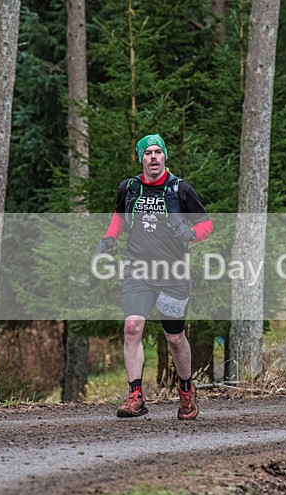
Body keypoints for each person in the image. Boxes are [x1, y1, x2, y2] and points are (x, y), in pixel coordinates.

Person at [95, 133, 213, 420]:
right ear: (141, 159)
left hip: (173, 274)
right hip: (138, 271)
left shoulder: (180, 189)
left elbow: (207, 224)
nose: (153, 157)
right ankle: (136, 395)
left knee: (174, 338)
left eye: (157, 152)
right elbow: (119, 218)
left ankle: (186, 391)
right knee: (132, 328)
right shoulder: (130, 188)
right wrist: (109, 240)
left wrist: (192, 233)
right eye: (147, 153)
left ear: (165, 157)